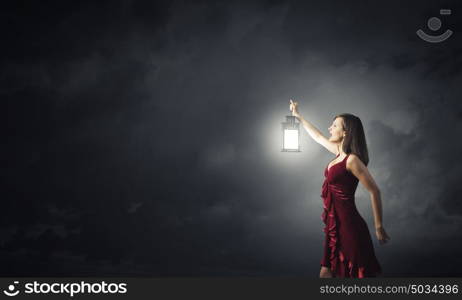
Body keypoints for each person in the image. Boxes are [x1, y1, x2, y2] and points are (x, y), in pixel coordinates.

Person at [289, 99, 390, 278]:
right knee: (325, 273)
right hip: (333, 227)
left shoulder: (351, 160)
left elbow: (375, 191)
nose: (330, 128)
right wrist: (298, 116)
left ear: (345, 132)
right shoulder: (337, 154)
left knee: (351, 273)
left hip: (350, 228)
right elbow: (318, 137)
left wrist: (379, 226)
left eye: (334, 125)